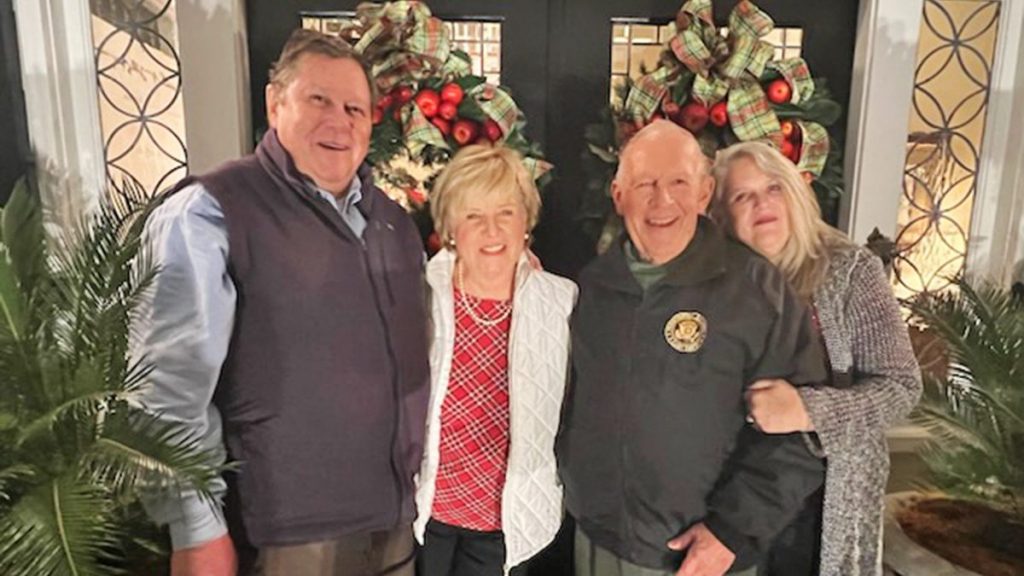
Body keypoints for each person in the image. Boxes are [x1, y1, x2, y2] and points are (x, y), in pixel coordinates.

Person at [132, 29, 430, 576]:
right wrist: (194, 529)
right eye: (319, 100)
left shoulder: (394, 224)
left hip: (391, 528)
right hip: (285, 539)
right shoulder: (210, 213)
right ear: (275, 105)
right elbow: (166, 390)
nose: (339, 122)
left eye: (354, 109)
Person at [557, 119, 828, 576]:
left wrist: (733, 533)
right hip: (596, 544)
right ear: (619, 195)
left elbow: (801, 435)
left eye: (679, 183)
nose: (662, 200)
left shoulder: (756, 291)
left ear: (704, 193)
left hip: (701, 557)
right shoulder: (592, 287)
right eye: (644, 184)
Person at [710, 141, 922, 576]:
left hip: (824, 502)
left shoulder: (850, 271)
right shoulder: (711, 283)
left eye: (773, 188)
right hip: (732, 497)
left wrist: (807, 411)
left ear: (795, 192)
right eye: (742, 196)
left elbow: (900, 387)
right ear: (723, 216)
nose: (762, 204)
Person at [413, 144, 577, 576]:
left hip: (507, 524)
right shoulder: (418, 293)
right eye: (473, 215)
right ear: (450, 226)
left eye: (506, 212)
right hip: (421, 516)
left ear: (526, 221)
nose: (492, 230)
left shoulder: (562, 303)